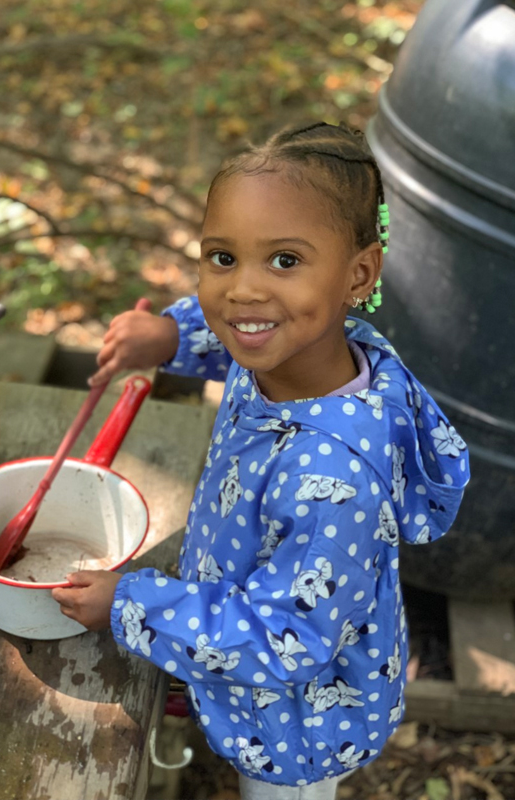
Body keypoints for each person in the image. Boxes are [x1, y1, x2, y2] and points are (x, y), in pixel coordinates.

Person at [52, 122, 470, 800]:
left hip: (299, 721)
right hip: (250, 627)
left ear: (359, 274)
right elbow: (238, 333)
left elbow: (285, 639)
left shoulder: (334, 485)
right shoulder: (297, 347)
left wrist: (133, 604)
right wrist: (169, 336)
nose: (243, 291)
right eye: (222, 257)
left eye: (284, 260)